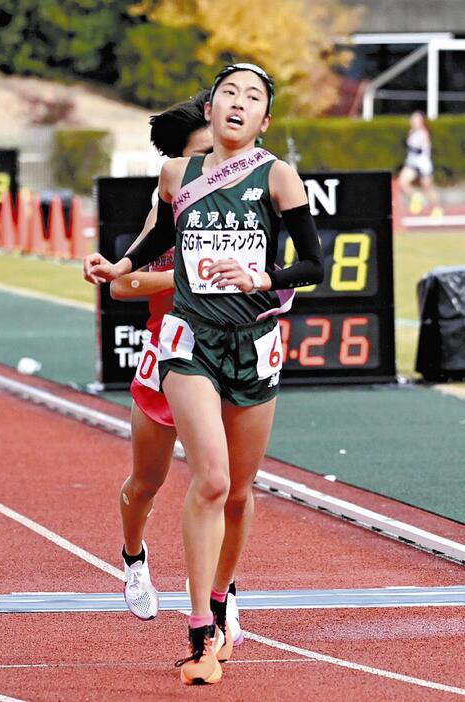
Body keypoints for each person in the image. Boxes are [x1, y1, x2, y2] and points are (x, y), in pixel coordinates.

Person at [87, 63, 324, 686]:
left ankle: (220, 599)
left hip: (255, 343)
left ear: (265, 120)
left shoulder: (278, 176)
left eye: (252, 98)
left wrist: (262, 278)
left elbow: (315, 266)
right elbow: (155, 239)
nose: (238, 104)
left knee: (238, 492)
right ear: (211, 108)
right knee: (202, 480)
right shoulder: (176, 176)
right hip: (186, 342)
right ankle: (194, 630)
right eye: (228, 94)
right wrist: (116, 268)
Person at [83, 91, 243, 643]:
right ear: (177, 161)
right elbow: (124, 285)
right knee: (147, 481)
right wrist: (190, 277)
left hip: (228, 354)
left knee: (223, 484)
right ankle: (134, 557)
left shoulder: (253, 192)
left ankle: (223, 597)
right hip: (167, 353)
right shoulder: (169, 202)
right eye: (205, 151)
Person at [398, 110, 442, 217]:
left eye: (416, 119)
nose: (413, 121)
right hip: (412, 164)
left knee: (428, 188)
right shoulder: (411, 132)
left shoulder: (423, 133)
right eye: (413, 119)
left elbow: (421, 150)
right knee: (402, 183)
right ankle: (417, 196)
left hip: (423, 165)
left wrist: (412, 148)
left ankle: (437, 209)